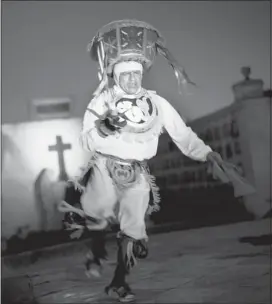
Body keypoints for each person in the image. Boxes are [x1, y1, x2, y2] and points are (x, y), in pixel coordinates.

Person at [60, 19, 224, 302]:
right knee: (98, 212)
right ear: (116, 75)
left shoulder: (157, 104)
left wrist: (206, 153)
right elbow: (86, 139)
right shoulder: (102, 101)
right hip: (104, 167)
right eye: (126, 75)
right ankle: (96, 252)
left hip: (136, 172)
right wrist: (103, 128)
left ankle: (119, 281)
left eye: (136, 74)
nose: (132, 80)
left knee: (133, 227)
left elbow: (182, 134)